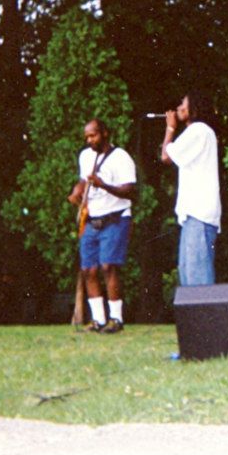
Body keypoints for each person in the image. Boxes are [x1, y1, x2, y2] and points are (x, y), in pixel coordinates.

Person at [67, 119, 136, 334]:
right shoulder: (85, 156)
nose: (89, 140)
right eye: (87, 137)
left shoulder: (121, 157)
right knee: (89, 269)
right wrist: (78, 190)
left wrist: (103, 185)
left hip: (115, 217)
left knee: (108, 266)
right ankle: (98, 319)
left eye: (93, 135)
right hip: (92, 218)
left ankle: (116, 319)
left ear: (105, 133)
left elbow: (130, 191)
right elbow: (82, 180)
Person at [161, 92, 222, 286]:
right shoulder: (199, 132)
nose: (178, 107)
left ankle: (206, 316)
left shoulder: (199, 130)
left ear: (193, 108)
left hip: (199, 214)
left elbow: (166, 156)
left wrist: (170, 128)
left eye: (183, 104)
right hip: (194, 215)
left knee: (197, 279)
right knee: (188, 275)